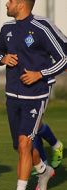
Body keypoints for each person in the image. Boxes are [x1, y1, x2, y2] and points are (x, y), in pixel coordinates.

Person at [0, 0, 66, 190]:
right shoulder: (7, 28)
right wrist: (3, 58)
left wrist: (40, 74)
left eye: (10, 0)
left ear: (21, 5)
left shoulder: (41, 27)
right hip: (11, 95)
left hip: (36, 95)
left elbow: (64, 57)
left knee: (25, 144)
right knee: (19, 145)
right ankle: (44, 170)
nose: (6, 3)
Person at [30, 16, 66, 171]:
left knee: (33, 125)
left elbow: (63, 44)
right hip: (23, 84)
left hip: (44, 81)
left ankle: (48, 156)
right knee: (31, 125)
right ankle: (46, 161)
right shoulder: (13, 26)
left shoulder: (43, 24)